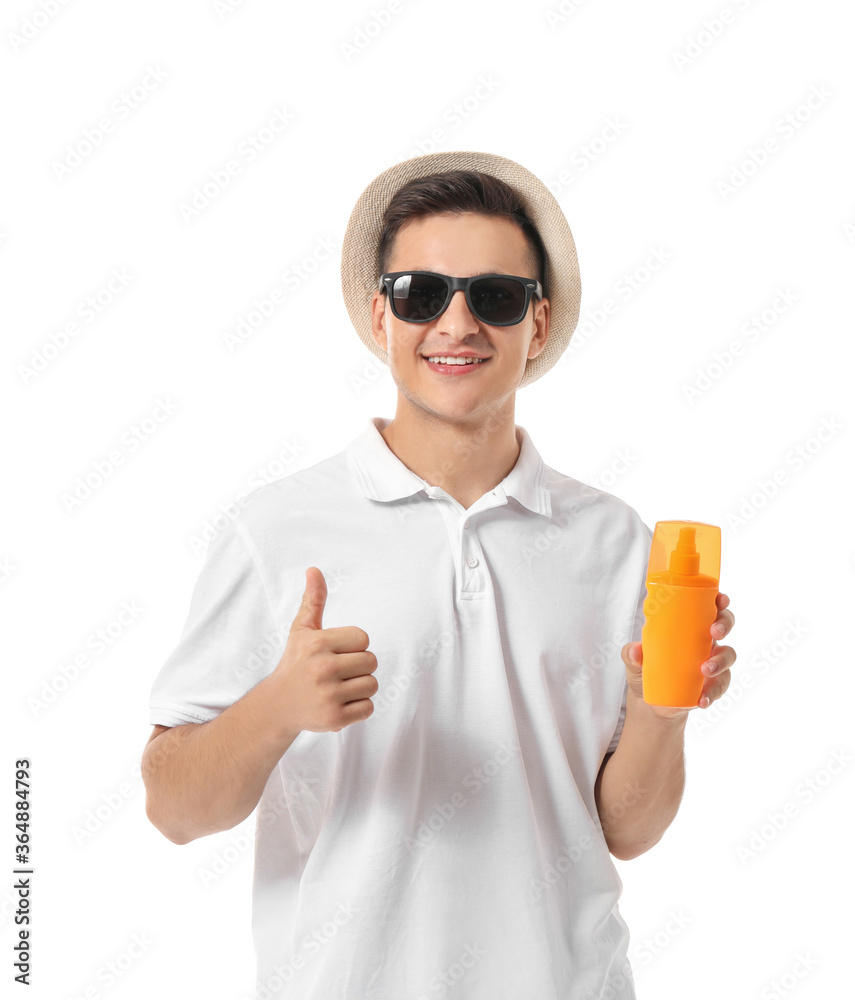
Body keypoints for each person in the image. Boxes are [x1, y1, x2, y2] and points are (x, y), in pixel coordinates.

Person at [142, 150, 737, 1000]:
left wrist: (659, 709)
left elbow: (626, 830)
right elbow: (173, 809)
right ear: (380, 317)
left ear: (537, 325)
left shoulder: (613, 542)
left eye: (494, 297)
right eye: (421, 294)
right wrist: (276, 707)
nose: (456, 325)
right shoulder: (274, 530)